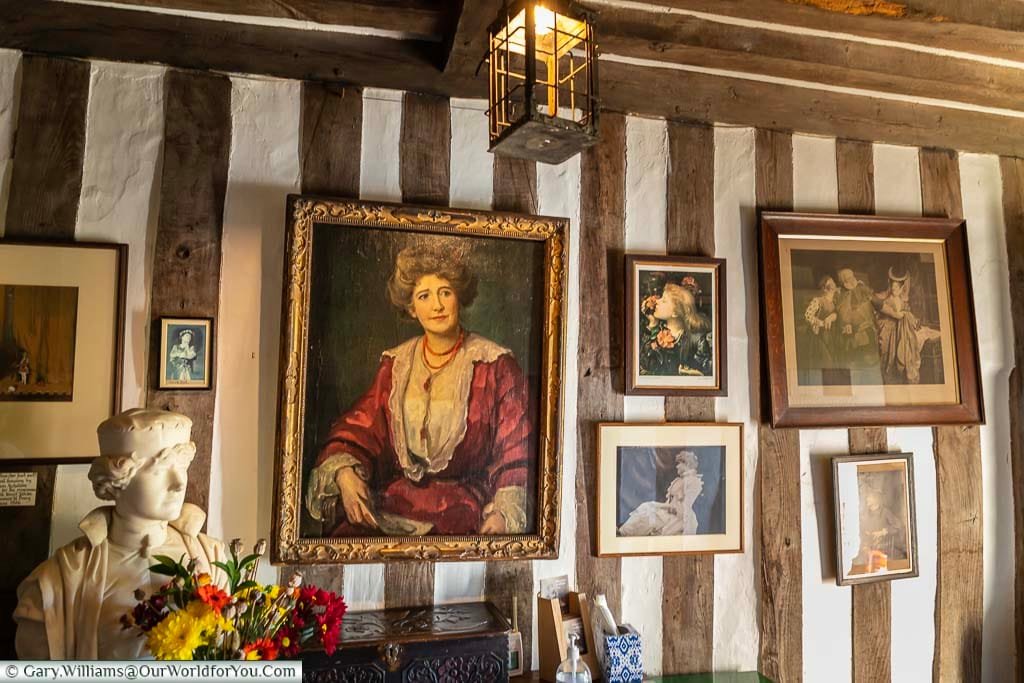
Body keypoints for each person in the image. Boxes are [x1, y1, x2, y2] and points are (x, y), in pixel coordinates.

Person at [305, 245, 533, 537]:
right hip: (394, 505)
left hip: (464, 512)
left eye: (445, 292)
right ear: (411, 307)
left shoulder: (494, 363)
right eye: (424, 296)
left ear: (459, 298)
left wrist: (504, 512)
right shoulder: (396, 364)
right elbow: (361, 430)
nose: (437, 305)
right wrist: (345, 473)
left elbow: (516, 449)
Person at [13, 409, 227, 659]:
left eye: (182, 466)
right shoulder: (58, 581)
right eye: (160, 471)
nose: (179, 483)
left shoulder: (213, 560)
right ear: (116, 481)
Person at [875, 268, 942, 384]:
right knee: (890, 354)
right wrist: (894, 318)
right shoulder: (886, 301)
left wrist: (913, 320)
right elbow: (881, 316)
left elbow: (907, 313)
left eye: (897, 288)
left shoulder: (902, 301)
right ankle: (892, 376)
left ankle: (903, 374)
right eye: (893, 287)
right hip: (890, 329)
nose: (894, 289)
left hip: (902, 328)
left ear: (901, 289)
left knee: (911, 341)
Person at [618, 450, 703, 537]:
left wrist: (663, 507)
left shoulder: (693, 482)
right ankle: (624, 531)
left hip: (678, 517)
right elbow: (669, 503)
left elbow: (684, 508)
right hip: (669, 510)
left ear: (687, 464)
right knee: (647, 506)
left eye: (679, 464)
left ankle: (624, 532)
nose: (677, 467)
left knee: (649, 510)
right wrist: (661, 506)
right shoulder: (679, 480)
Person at [639, 280, 712, 377]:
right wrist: (653, 324)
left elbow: (705, 370)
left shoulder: (696, 339)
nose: (657, 301)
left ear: (675, 313)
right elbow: (644, 364)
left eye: (664, 301)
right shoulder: (655, 330)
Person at [835, 267, 880, 370]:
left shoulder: (862, 288)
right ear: (843, 282)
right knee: (855, 363)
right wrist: (846, 323)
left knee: (870, 360)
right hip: (851, 335)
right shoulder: (841, 295)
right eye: (847, 279)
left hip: (867, 331)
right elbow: (841, 312)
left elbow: (876, 302)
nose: (851, 280)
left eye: (852, 277)